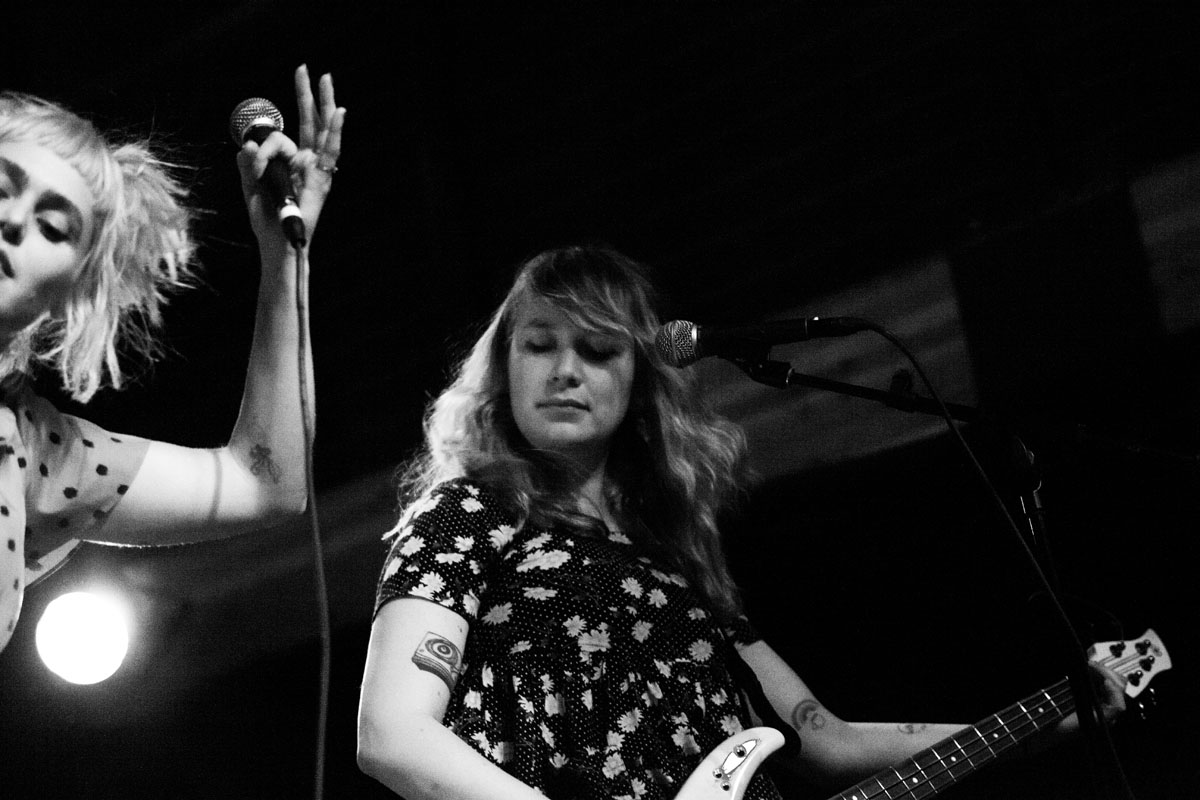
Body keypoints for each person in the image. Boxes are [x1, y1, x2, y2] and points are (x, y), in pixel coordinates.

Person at [356, 246, 1127, 799]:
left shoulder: (672, 558)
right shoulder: (469, 515)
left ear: (639, 382)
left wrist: (1054, 716)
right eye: (540, 345)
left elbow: (825, 738)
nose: (565, 371)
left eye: (597, 351)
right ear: (505, 366)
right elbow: (394, 736)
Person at [0, 64, 345, 654]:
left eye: (53, 227)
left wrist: (283, 255)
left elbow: (267, 484)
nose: (10, 222)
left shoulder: (34, 453)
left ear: (70, 294)